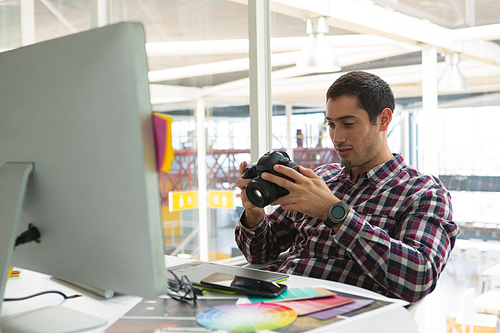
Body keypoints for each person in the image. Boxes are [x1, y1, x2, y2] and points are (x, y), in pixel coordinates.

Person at [235, 70, 460, 303]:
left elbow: (419, 277)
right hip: (271, 301)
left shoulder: (423, 192)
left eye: (348, 124)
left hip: (330, 316)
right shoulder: (322, 178)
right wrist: (254, 214)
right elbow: (259, 254)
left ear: (383, 119)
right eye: (331, 124)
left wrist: (334, 212)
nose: (337, 137)